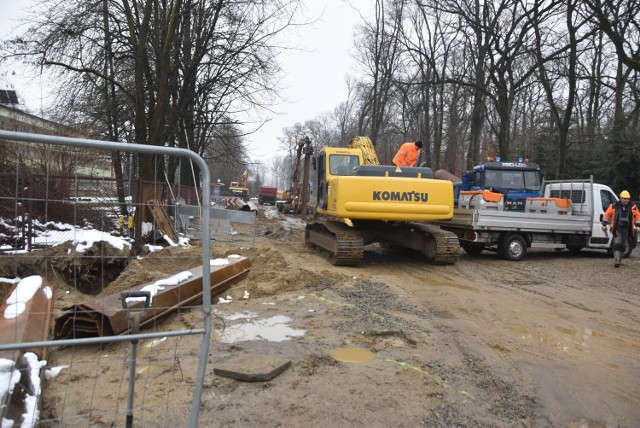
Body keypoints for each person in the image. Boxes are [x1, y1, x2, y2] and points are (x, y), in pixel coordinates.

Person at [601, 190, 640, 267]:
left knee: (624, 245)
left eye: (627, 198)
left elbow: (638, 216)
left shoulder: (633, 206)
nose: (626, 200)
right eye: (624, 198)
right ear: (620, 198)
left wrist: (637, 225)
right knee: (617, 243)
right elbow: (606, 215)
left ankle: (619, 260)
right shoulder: (614, 206)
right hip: (617, 228)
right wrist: (604, 224)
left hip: (627, 229)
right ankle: (617, 261)